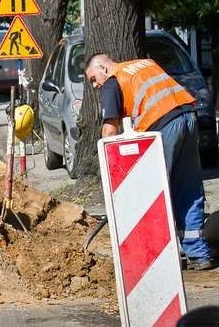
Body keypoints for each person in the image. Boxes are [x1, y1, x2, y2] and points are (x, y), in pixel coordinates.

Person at [85, 53, 218, 270]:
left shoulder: (112, 81)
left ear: (104, 68)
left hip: (164, 127)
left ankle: (158, 256)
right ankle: (198, 254)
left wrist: (111, 170)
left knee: (154, 194)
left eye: (93, 79)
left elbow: (110, 130)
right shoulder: (143, 63)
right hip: (188, 117)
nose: (95, 86)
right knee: (189, 188)